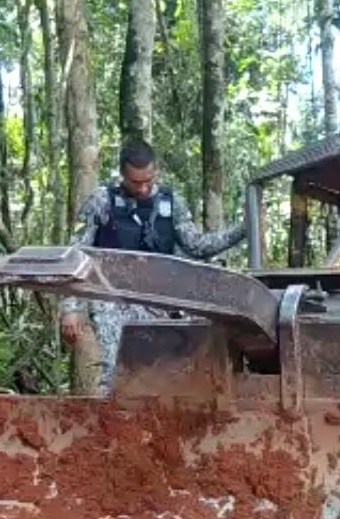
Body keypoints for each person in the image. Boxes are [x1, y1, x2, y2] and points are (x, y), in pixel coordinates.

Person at [59, 139, 245, 394]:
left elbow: (197, 245)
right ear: (122, 174)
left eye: (149, 179)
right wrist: (70, 308)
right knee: (117, 371)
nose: (144, 188)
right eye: (136, 182)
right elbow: (76, 252)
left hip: (160, 300)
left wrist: (242, 231)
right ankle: (109, 422)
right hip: (113, 299)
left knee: (166, 370)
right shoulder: (102, 201)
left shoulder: (170, 202)